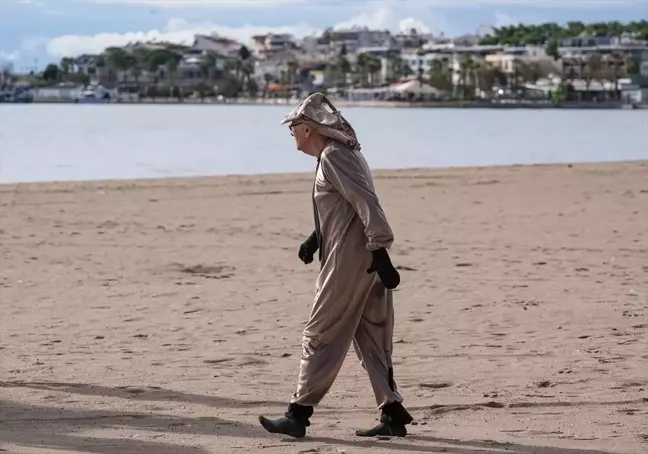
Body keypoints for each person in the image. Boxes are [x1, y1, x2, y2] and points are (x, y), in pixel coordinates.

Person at [258, 93, 414, 439]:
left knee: (320, 333)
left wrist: (381, 248)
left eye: (294, 126)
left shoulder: (334, 156)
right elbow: (346, 205)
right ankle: (392, 412)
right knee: (370, 335)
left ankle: (298, 414)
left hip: (351, 261)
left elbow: (366, 203)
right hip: (363, 259)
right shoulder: (343, 154)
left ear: (309, 128)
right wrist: (316, 238)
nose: (291, 132)